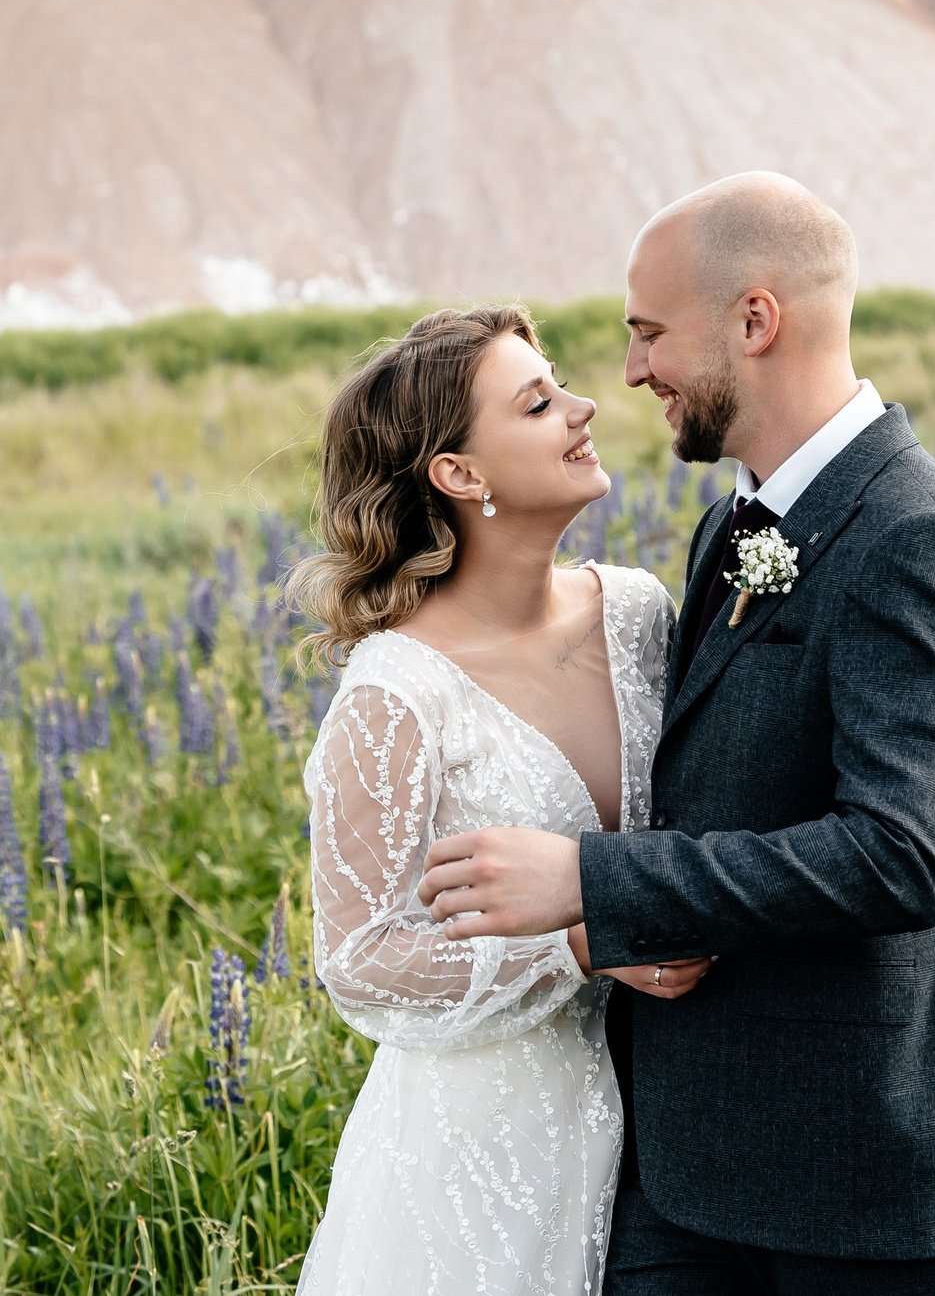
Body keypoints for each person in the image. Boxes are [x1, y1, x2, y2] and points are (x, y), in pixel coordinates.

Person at [413, 173, 935, 1294]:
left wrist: (590, 879)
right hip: (686, 1171)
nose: (631, 370)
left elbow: (904, 855)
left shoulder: (919, 535)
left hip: (859, 1179)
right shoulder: (728, 527)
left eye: (650, 333)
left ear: (754, 320)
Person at [289, 303, 700, 1296]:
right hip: (477, 1159)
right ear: (460, 473)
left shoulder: (638, 613)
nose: (584, 406)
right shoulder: (396, 693)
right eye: (538, 403)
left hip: (668, 1129)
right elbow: (359, 963)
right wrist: (576, 947)